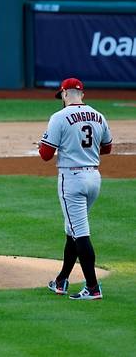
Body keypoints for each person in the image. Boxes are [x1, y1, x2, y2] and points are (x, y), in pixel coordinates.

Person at [39, 78, 112, 300]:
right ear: (82, 94)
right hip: (94, 179)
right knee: (72, 229)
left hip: (72, 179)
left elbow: (45, 154)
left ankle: (92, 287)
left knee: (79, 232)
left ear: (63, 94)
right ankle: (61, 281)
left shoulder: (59, 117)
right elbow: (107, 148)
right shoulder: (98, 115)